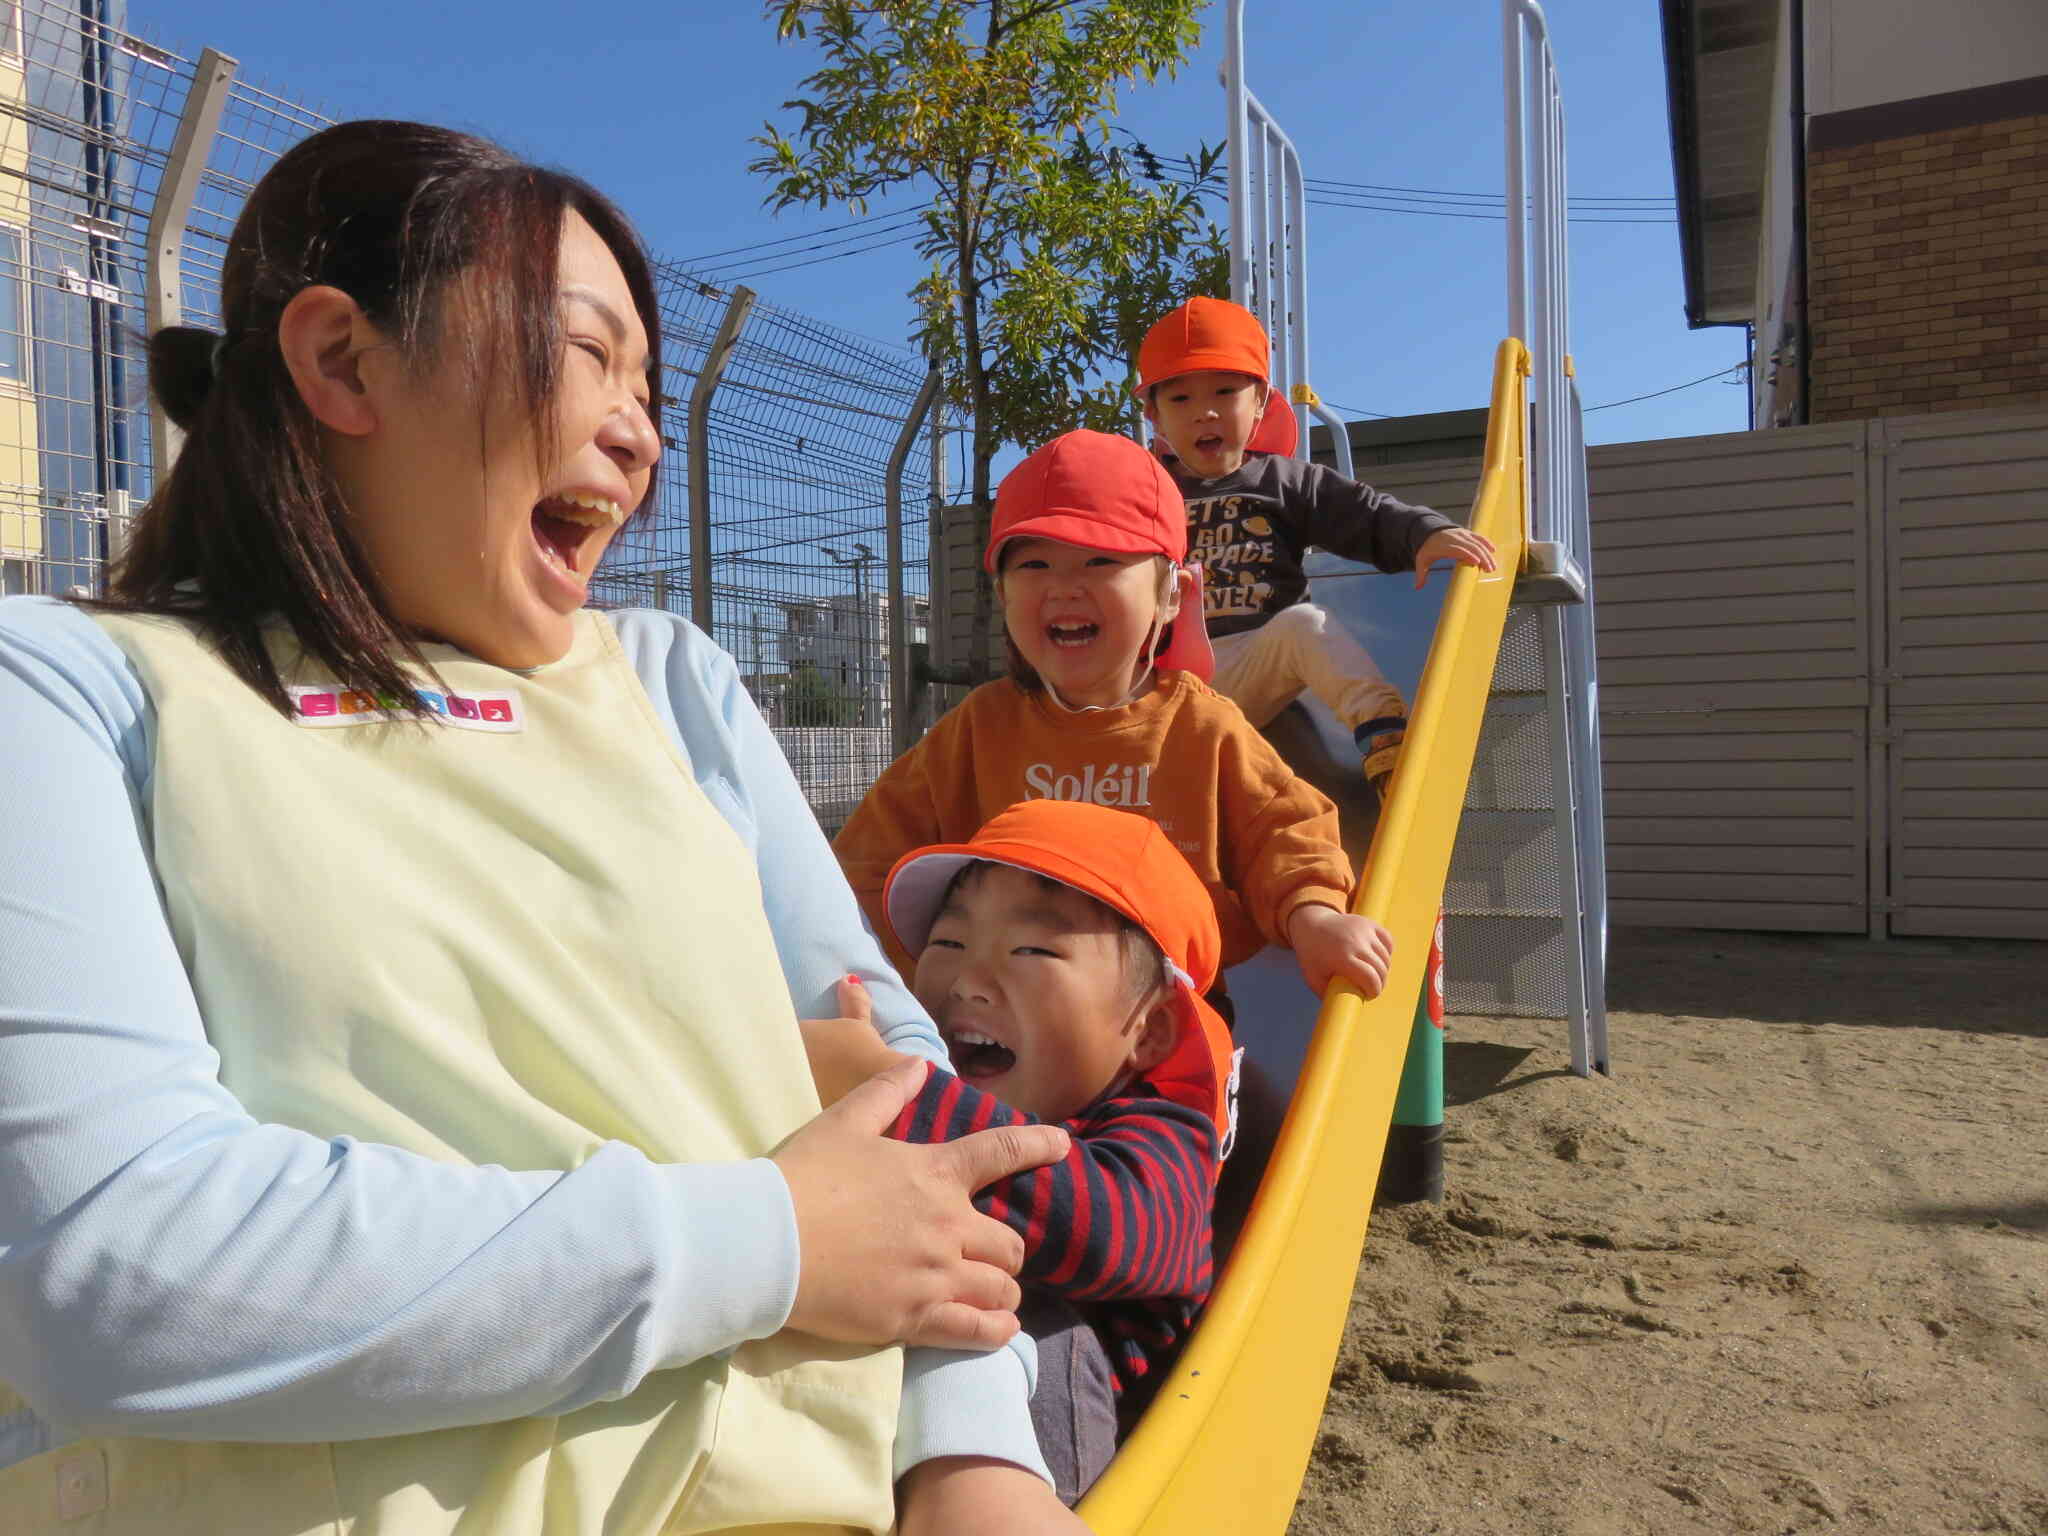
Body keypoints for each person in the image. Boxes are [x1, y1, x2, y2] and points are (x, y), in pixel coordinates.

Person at [0, 120, 1089, 1536]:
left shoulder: (668, 682)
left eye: (653, 386)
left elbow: (901, 1111)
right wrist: (768, 1239)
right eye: (586, 352)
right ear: (342, 362)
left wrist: (971, 1449)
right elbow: (113, 1270)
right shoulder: (77, 691)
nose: (641, 431)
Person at [833, 428, 1393, 1006]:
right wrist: (908, 983)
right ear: (1002, 592)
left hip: (1166, 1019)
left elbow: (1287, 829)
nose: (1063, 587)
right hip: (1000, 1013)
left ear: (1171, 594)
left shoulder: (1202, 726)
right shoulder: (980, 729)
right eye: (1033, 564)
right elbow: (869, 860)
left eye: (1100, 560)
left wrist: (1315, 917)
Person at [804, 799, 1238, 1505]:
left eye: (1032, 950)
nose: (967, 982)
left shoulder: (1158, 1131)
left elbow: (1110, 1234)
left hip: (1057, 1435)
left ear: (1149, 1034)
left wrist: (887, 1090)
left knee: (1032, 1321)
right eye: (947, 944)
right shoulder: (941, 1096)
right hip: (902, 1401)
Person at [1136, 295, 1500, 793]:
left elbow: (1362, 511)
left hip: (1254, 664)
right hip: (1166, 683)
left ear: (1260, 402)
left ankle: (1384, 740)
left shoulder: (1284, 480)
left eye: (1224, 392)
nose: (1205, 413)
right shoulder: (1144, 490)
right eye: (1181, 400)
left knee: (1306, 624)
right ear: (1153, 414)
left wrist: (1425, 532)